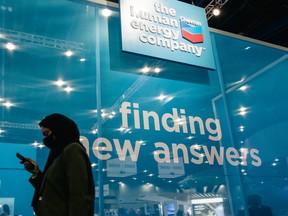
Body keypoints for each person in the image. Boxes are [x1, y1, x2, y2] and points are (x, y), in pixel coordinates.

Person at [21, 113, 95, 216]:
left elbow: (79, 195)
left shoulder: (72, 150)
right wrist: (36, 173)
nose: (45, 139)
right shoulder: (57, 153)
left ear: (59, 130)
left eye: (47, 134)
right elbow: (53, 191)